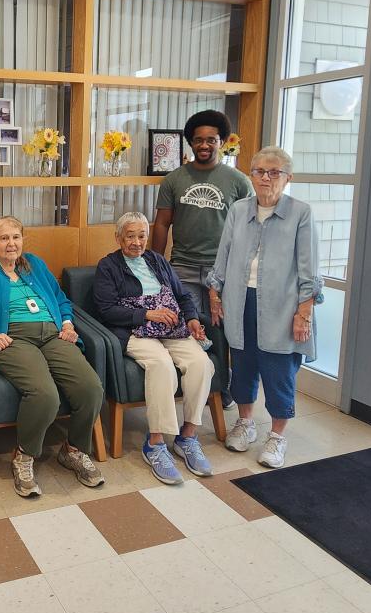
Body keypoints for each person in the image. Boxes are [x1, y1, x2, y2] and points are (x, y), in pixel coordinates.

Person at [0, 216, 105, 497]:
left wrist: (67, 323)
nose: (11, 243)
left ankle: (74, 450)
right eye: (4, 238)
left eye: (16, 237)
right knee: (45, 394)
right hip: (14, 339)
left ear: (23, 239)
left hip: (54, 334)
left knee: (91, 387)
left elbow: (61, 299)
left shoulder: (36, 265)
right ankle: (24, 456)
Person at [208, 147, 321, 469]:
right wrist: (215, 296)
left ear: (287, 178)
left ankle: (277, 436)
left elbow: (309, 270)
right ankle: (245, 423)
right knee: (242, 364)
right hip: (240, 299)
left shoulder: (301, 213)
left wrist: (304, 313)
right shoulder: (239, 210)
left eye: (274, 172)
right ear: (251, 175)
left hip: (283, 306)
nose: (265, 178)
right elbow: (224, 255)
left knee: (278, 369)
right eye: (259, 171)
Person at [93, 212, 214, 484]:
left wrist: (193, 319)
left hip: (173, 327)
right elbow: (106, 310)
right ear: (118, 238)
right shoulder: (108, 267)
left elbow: (183, 295)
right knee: (161, 365)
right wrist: (148, 314)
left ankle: (188, 437)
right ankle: (156, 443)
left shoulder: (157, 260)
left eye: (142, 236)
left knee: (201, 363)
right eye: (130, 236)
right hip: (135, 331)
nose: (137, 242)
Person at [151, 110, 252, 411]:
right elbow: (161, 224)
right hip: (181, 266)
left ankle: (223, 385)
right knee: (189, 327)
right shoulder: (174, 179)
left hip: (222, 271)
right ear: (190, 143)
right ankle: (199, 385)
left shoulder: (238, 181)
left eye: (211, 140)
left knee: (221, 329)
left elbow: (248, 229)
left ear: (222, 142)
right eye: (198, 140)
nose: (204, 145)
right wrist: (157, 266)